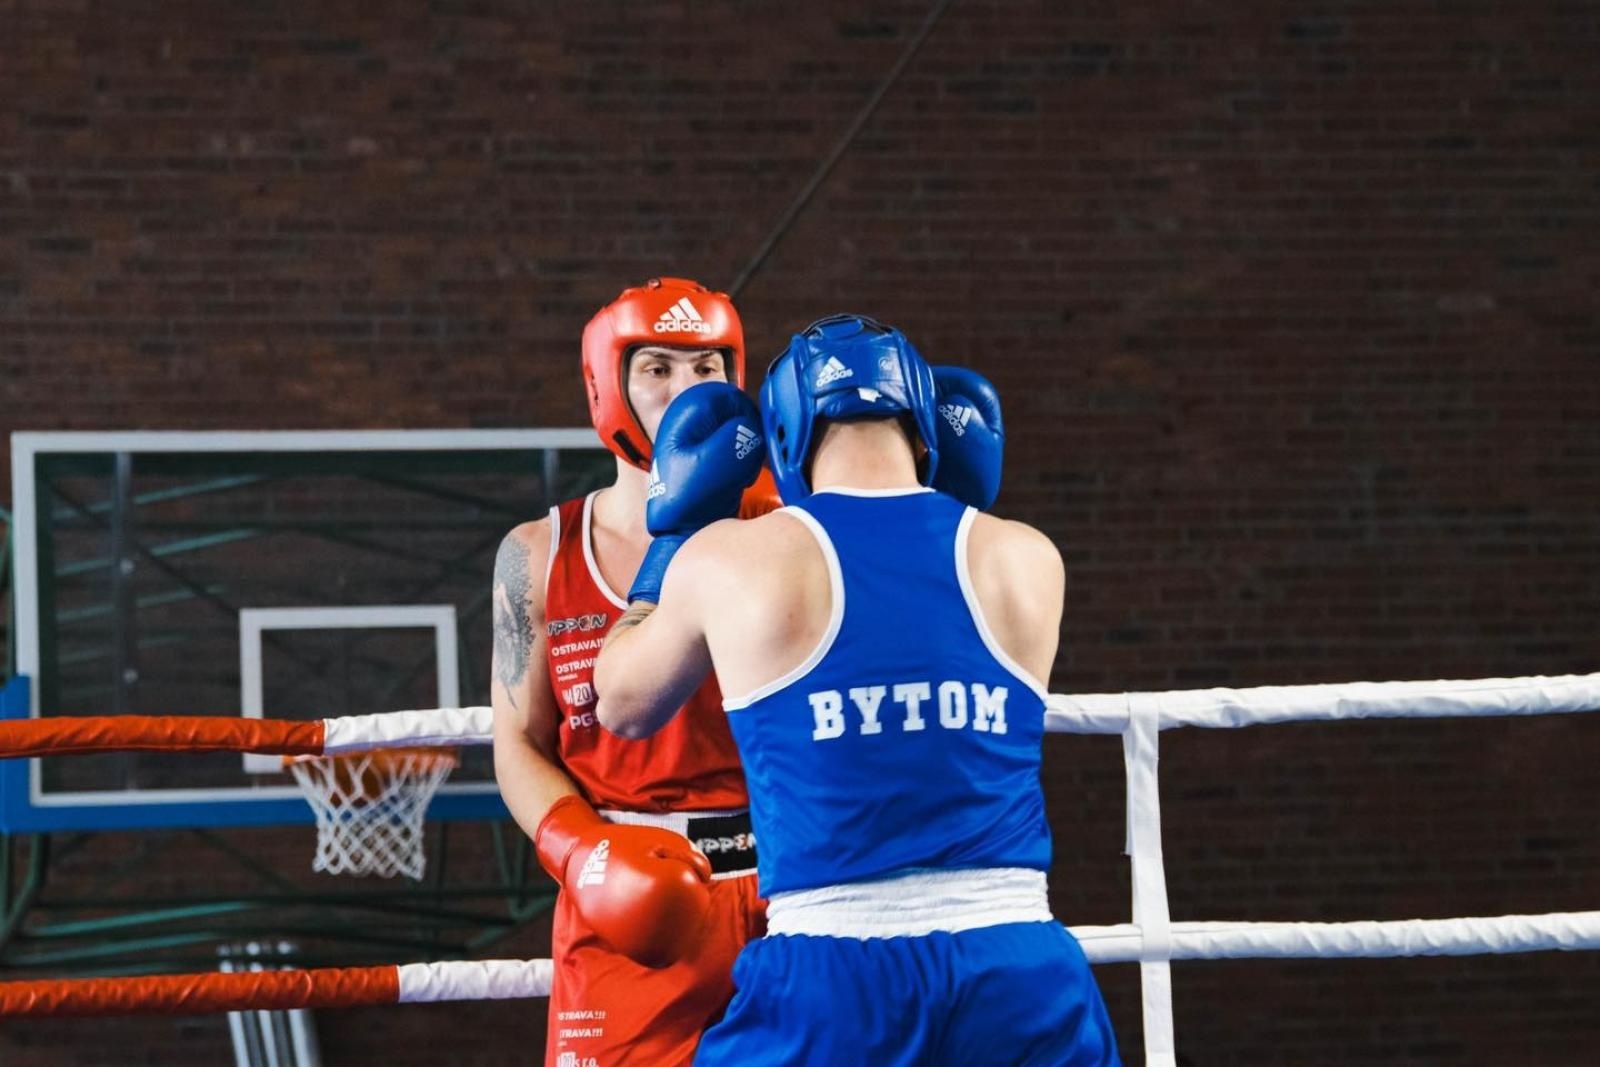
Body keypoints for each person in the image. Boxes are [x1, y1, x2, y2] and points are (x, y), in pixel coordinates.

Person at [592, 314, 1121, 1065]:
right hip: (1022, 972)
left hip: (832, 973)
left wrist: (676, 534)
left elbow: (619, 703)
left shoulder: (731, 559)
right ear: (927, 422)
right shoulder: (1026, 557)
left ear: (784, 436)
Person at [490, 278, 772, 1067]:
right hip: (623, 904)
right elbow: (516, 741)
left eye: (706, 368)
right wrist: (582, 854)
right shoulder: (539, 554)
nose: (685, 390)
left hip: (786, 893)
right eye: (657, 368)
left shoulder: (787, 530)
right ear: (607, 384)